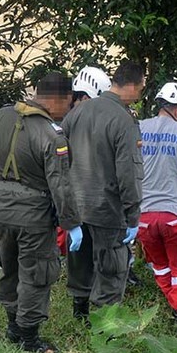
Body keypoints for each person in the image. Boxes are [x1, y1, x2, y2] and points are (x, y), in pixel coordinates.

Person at [0, 71, 83, 353]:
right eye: (68, 103)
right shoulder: (51, 134)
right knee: (36, 272)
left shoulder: (1, 117)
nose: (66, 110)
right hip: (33, 215)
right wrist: (72, 223)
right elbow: (61, 184)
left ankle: (12, 326)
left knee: (10, 266)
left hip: (1, 210)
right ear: (61, 100)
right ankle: (29, 338)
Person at [62, 60, 145, 320]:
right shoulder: (123, 120)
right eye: (141, 88)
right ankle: (105, 327)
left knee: (81, 261)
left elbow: (58, 159)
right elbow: (128, 173)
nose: (141, 94)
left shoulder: (77, 113)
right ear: (132, 85)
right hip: (108, 209)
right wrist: (133, 214)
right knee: (111, 269)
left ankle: (80, 313)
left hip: (77, 205)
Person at [137, 82, 177, 334]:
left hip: (143, 218)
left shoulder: (139, 128)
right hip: (172, 217)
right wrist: (176, 182)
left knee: (161, 264)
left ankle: (172, 304)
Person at [56, 66, 112, 255]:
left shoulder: (65, 121)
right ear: (87, 97)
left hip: (77, 204)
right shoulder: (71, 121)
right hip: (90, 205)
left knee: (81, 268)